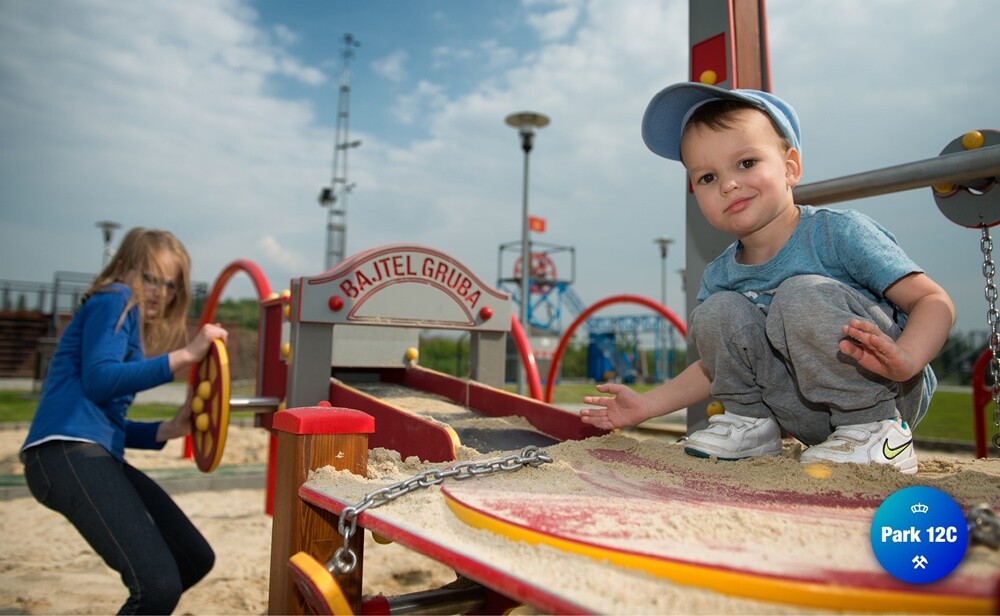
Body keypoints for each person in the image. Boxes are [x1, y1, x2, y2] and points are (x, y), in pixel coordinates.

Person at [580, 83, 955, 475]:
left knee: (799, 295)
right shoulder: (722, 275)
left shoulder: (835, 234)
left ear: (790, 167)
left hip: (886, 392)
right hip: (803, 414)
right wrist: (646, 405)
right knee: (715, 312)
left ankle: (877, 431)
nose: (728, 184)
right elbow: (714, 366)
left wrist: (908, 358)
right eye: (707, 177)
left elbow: (932, 301)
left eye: (746, 163)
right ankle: (751, 425)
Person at [20, 227, 228, 614]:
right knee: (157, 587)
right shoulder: (115, 298)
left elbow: (104, 417)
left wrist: (166, 429)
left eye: (170, 286)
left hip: (87, 451)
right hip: (63, 452)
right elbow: (100, 381)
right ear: (125, 268)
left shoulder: (125, 319)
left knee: (193, 558)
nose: (159, 293)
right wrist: (186, 355)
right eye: (150, 278)